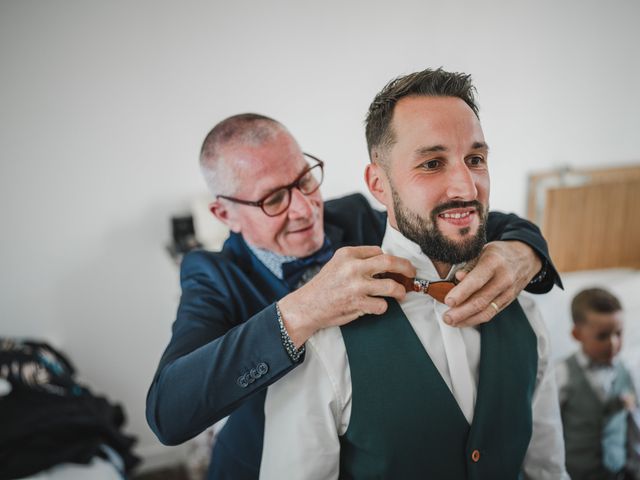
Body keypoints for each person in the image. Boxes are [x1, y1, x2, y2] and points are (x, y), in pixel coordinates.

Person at [146, 107, 561, 478]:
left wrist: (524, 252)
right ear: (225, 214)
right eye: (274, 199)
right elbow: (169, 412)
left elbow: (473, 218)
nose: (305, 209)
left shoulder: (357, 217)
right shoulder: (212, 276)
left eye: (305, 180)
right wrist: (304, 310)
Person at [260, 68, 568, 479]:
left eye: (475, 159)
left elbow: (547, 470)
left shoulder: (525, 312)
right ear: (379, 184)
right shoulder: (322, 340)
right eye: (432, 163)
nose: (466, 186)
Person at [557, 288, 640, 480]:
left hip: (618, 473)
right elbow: (548, 431)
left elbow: (633, 429)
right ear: (577, 334)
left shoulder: (627, 373)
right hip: (574, 474)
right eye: (602, 336)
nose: (613, 343)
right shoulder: (561, 374)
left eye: (618, 333)